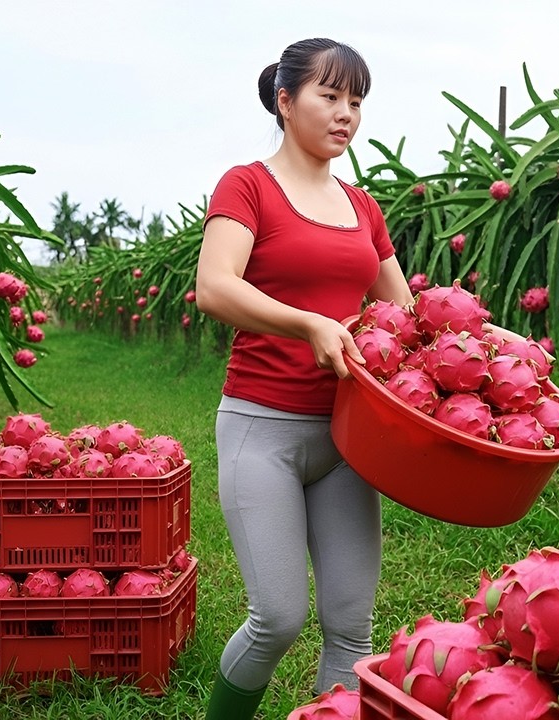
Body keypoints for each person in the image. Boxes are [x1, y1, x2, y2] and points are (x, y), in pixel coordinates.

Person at [194, 38, 412, 719]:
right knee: (277, 619)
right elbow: (215, 287)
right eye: (330, 96)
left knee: (352, 628)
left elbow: (405, 314)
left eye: (357, 101)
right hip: (264, 428)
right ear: (285, 102)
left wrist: (487, 346)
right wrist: (309, 324)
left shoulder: (362, 206)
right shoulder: (247, 185)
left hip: (350, 436)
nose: (346, 113)